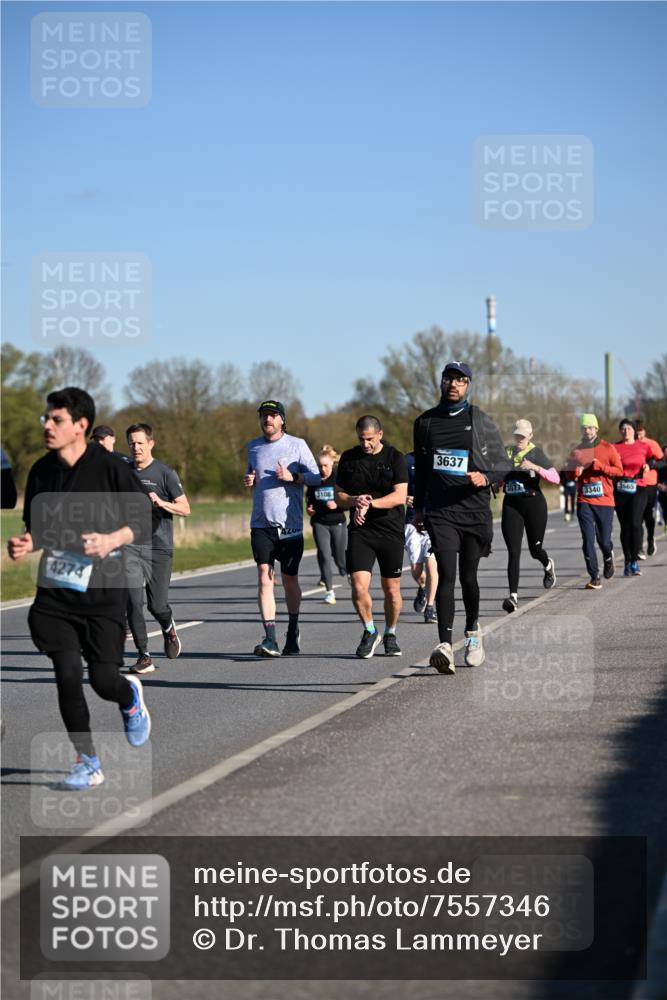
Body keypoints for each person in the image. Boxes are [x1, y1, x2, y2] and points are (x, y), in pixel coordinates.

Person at [7, 387, 152, 789]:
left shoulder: (109, 469)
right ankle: (87, 762)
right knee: (67, 674)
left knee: (103, 681)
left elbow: (144, 520)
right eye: (46, 419)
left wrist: (111, 540)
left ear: (80, 426)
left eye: (56, 420)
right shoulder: (41, 471)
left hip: (103, 593)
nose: (47, 426)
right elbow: (38, 529)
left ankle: (129, 697)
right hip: (56, 592)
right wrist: (27, 543)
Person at [412, 361, 510, 674]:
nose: (454, 384)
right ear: (441, 383)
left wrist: (487, 476)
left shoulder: (479, 420)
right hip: (441, 511)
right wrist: (418, 509)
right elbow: (423, 471)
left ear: (468, 385)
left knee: (468, 577)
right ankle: (444, 644)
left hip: (474, 509)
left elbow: (503, 463)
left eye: (460, 380)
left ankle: (472, 633)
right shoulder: (425, 423)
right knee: (446, 575)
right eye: (448, 379)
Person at [244, 399, 320, 657]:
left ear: (282, 420)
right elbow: (252, 473)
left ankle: (293, 628)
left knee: (289, 580)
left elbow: (317, 476)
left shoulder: (297, 445)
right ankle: (269, 638)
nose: (268, 420)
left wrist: (293, 477)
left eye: (273, 415)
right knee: (265, 577)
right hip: (261, 523)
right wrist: (250, 479)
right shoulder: (252, 446)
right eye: (264, 415)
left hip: (290, 525)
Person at [335, 416, 408, 658]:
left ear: (379, 434)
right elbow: (338, 496)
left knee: (392, 590)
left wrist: (371, 504)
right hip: (360, 531)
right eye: (361, 439)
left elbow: (399, 496)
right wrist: (355, 500)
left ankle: (390, 633)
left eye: (369, 439)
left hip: (390, 530)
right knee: (358, 587)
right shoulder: (348, 458)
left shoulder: (395, 458)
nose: (365, 444)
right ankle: (369, 630)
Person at [125, 422, 191, 674]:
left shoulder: (165, 473)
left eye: (140, 442)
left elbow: (185, 508)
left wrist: (162, 503)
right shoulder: (123, 472)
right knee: (132, 601)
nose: (136, 447)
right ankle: (144, 655)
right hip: (130, 547)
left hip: (159, 547)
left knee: (157, 605)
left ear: (151, 444)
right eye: (132, 443)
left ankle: (169, 628)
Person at [501, 419, 559, 613]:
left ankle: (547, 563)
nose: (519, 438)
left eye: (523, 436)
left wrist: (535, 467)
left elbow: (555, 478)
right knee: (513, 551)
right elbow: (499, 474)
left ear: (530, 436)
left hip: (534, 505)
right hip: (511, 506)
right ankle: (513, 597)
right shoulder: (507, 453)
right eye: (517, 435)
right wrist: (496, 481)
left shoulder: (536, 453)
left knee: (535, 550)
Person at [566, 413, 622, 590]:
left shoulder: (608, 448)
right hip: (584, 500)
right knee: (587, 539)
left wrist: (601, 467)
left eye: (590, 427)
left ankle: (608, 556)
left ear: (596, 429)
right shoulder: (576, 451)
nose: (587, 430)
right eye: (584, 428)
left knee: (603, 540)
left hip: (605, 501)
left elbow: (619, 471)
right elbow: (567, 473)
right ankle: (594, 576)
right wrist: (573, 473)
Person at [306, 445, 347, 605]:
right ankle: (329, 591)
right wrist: (310, 509)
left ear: (332, 464)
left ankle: (346, 569)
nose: (323, 469)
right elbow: (309, 500)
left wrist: (338, 505)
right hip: (319, 522)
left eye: (326, 465)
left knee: (339, 558)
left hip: (337, 521)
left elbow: (348, 502)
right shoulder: (314, 480)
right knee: (324, 555)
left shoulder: (339, 478)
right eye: (320, 466)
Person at [613, 418, 652, 577]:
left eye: (629, 428)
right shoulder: (615, 447)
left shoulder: (643, 446)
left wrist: (649, 465)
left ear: (634, 431)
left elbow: (654, 459)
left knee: (636, 523)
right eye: (623, 428)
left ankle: (635, 561)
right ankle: (627, 561)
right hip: (621, 489)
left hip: (639, 487)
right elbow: (610, 464)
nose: (626, 430)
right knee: (625, 527)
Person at [404, 452, 438, 624]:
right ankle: (423, 588)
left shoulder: (439, 458)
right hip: (412, 521)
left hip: (435, 519)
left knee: (431, 564)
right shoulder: (407, 460)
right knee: (417, 571)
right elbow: (397, 486)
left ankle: (430, 608)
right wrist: (405, 497)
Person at [635, 419, 664, 558]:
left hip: (650, 483)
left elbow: (663, 461)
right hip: (635, 484)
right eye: (636, 432)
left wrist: (652, 464)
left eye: (641, 432)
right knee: (637, 517)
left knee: (648, 515)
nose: (639, 435)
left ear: (644, 431)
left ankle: (651, 539)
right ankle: (639, 548)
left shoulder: (652, 444)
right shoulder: (630, 445)